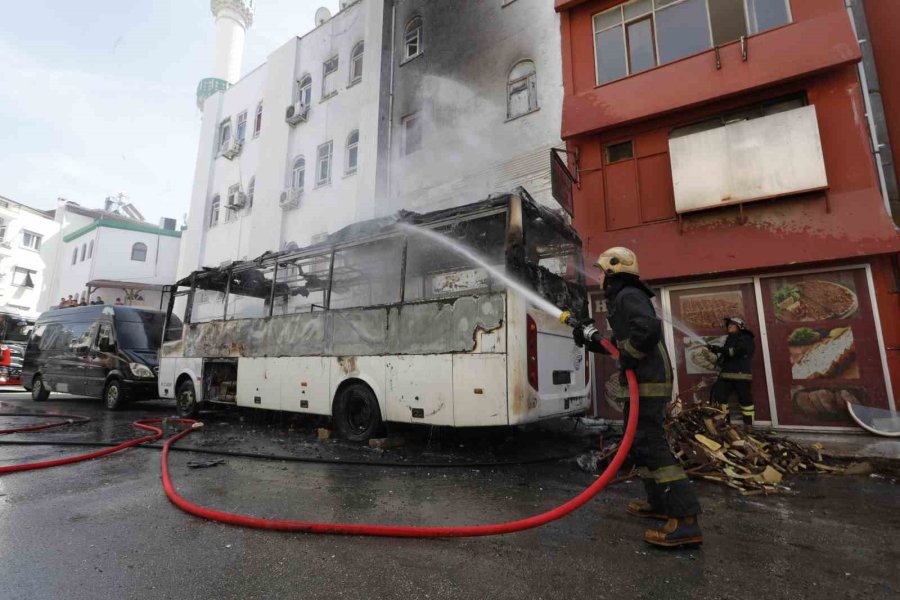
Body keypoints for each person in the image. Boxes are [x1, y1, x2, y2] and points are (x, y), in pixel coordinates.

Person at [573, 247, 702, 548]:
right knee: (641, 443)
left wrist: (628, 358)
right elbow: (620, 344)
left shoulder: (627, 295)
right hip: (642, 382)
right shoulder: (625, 297)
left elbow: (646, 331)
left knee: (652, 444)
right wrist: (587, 338)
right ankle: (658, 503)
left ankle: (686, 520)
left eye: (603, 272)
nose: (601, 278)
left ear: (613, 272)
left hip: (649, 382)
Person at [708, 317, 756, 430]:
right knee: (720, 398)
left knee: (745, 400)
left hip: (741, 375)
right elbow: (727, 353)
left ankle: (748, 424)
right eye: (728, 324)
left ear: (740, 327)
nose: (729, 326)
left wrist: (720, 350)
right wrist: (716, 351)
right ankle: (723, 422)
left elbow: (737, 351)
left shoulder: (746, 338)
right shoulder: (730, 339)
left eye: (732, 324)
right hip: (726, 375)